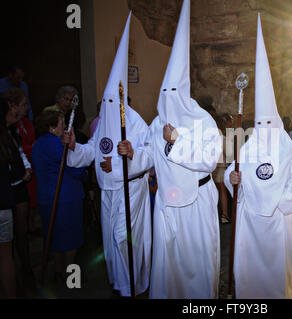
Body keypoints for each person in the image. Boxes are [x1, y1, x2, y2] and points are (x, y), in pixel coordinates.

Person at [118, 0, 222, 298]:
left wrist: (178, 141)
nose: (167, 100)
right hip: (167, 202)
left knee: (196, 264)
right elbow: (149, 154)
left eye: (172, 94)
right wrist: (132, 155)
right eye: (164, 94)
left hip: (196, 204)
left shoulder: (203, 121)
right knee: (170, 266)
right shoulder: (157, 122)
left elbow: (209, 162)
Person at [64, 13, 152, 297]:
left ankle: (134, 286)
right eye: (107, 100)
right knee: (112, 243)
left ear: (123, 100)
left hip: (130, 192)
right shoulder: (103, 120)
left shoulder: (136, 122)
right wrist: (75, 147)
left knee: (125, 238)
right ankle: (120, 284)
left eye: (115, 101)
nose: (110, 106)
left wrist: (130, 155)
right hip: (108, 192)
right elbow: (93, 148)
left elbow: (148, 155)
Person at [224, 14, 292, 299]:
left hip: (280, 222)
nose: (263, 129)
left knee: (278, 277)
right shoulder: (248, 145)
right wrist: (230, 177)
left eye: (267, 124)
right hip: (251, 223)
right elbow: (233, 173)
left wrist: (281, 203)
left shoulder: (286, 146)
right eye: (258, 124)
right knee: (253, 279)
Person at [32, 110, 86, 282]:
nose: (64, 128)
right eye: (62, 125)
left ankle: (58, 270)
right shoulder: (56, 145)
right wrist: (85, 171)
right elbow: (74, 167)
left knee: (54, 236)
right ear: (51, 128)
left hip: (46, 196)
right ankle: (71, 278)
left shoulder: (38, 144)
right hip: (65, 197)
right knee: (71, 238)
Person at [1, 88, 35, 291]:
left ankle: (25, 271)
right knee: (7, 244)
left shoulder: (15, 128)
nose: (25, 108)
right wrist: (18, 173)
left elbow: (19, 150)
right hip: (8, 188)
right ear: (11, 107)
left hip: (18, 185)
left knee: (20, 232)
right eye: (22, 105)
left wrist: (25, 167)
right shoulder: (6, 129)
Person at [0, 96, 17, 298]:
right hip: (3, 204)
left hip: (4, 203)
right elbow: (17, 172)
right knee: (6, 256)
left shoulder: (7, 137)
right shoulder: (6, 139)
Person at [213, 113, 233, 223]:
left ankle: (215, 214)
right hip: (221, 167)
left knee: (214, 191)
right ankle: (224, 215)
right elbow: (229, 153)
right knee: (222, 192)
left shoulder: (210, 136)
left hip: (211, 168)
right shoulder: (222, 138)